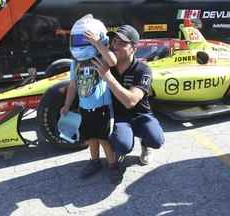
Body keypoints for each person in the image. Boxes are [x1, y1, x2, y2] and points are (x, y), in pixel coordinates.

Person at [91, 24, 165, 167]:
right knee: (122, 145)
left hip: (141, 115)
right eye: (114, 41)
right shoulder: (107, 64)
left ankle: (145, 144)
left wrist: (108, 77)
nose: (115, 45)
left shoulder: (143, 69)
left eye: (122, 43)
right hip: (120, 118)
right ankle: (121, 144)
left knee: (156, 140)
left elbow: (130, 101)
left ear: (134, 49)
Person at [60, 15, 121, 183]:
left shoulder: (101, 57)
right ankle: (94, 161)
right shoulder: (76, 62)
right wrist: (66, 105)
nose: (82, 44)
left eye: (87, 40)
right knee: (91, 138)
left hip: (102, 107)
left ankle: (113, 165)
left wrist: (97, 44)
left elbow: (113, 60)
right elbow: (72, 85)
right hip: (85, 107)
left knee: (104, 139)